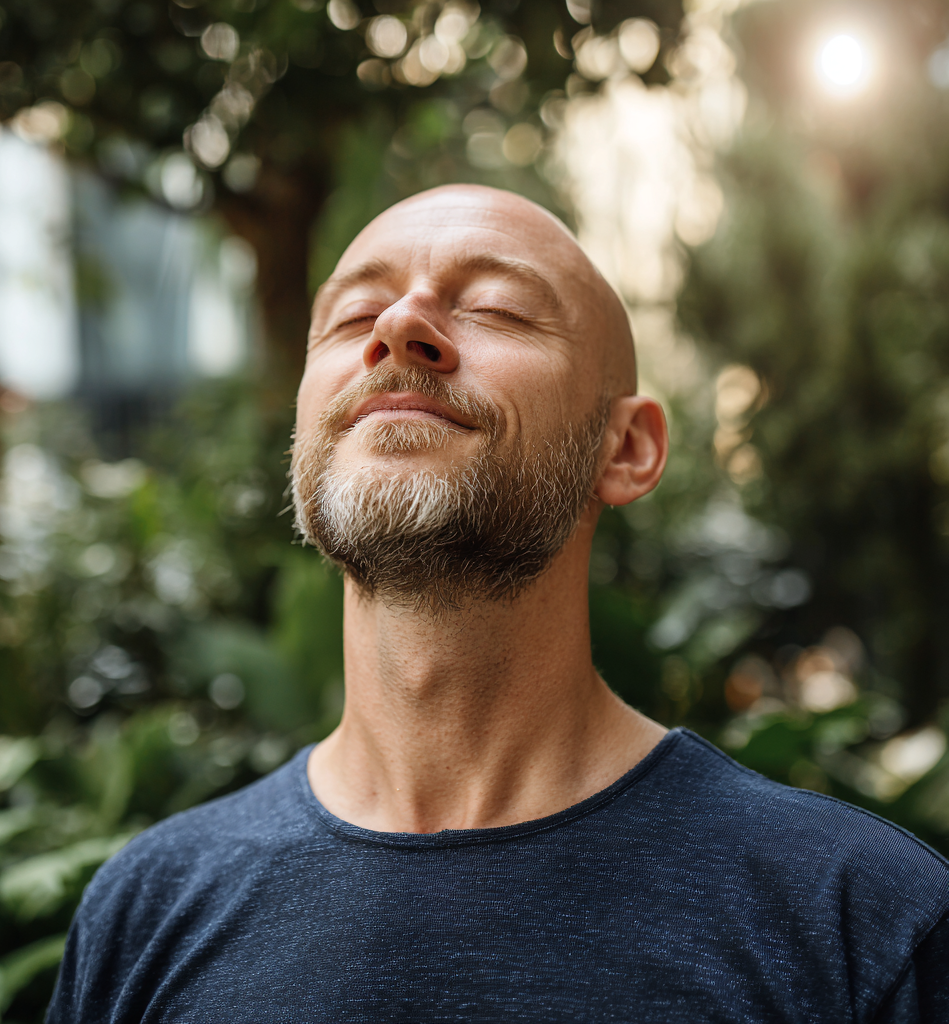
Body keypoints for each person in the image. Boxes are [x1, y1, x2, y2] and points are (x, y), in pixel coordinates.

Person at [47, 185, 948, 1023]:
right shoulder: (143, 913)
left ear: (626, 446)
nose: (399, 325)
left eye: (497, 308)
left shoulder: (861, 924)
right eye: (356, 312)